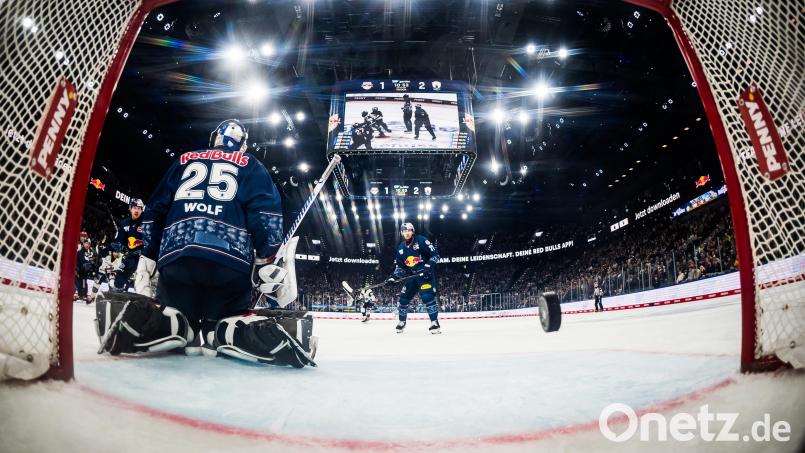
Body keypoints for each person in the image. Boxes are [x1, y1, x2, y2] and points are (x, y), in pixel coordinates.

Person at [97, 119, 315, 368]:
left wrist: (149, 253)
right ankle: (224, 331)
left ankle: (174, 324)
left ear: (214, 139)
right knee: (223, 320)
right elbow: (265, 216)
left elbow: (155, 210)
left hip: (177, 260)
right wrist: (266, 257)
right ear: (242, 144)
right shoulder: (250, 164)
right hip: (229, 266)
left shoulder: (184, 159)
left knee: (179, 314)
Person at [387, 222, 441, 334]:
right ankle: (402, 322)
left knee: (427, 297)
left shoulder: (421, 240)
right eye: (404, 231)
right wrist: (393, 277)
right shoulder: (401, 248)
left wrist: (428, 266)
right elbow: (400, 268)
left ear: (413, 231)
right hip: (412, 276)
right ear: (401, 233)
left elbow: (435, 255)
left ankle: (435, 323)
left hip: (425, 275)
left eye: (409, 230)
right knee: (403, 300)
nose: (407, 233)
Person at [110, 198, 144, 291]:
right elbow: (119, 239)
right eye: (134, 207)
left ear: (142, 210)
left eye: (139, 208)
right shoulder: (124, 223)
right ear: (130, 208)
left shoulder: (147, 222)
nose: (137, 210)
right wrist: (117, 247)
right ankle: (118, 292)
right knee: (120, 274)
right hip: (132, 255)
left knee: (144, 277)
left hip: (146, 256)